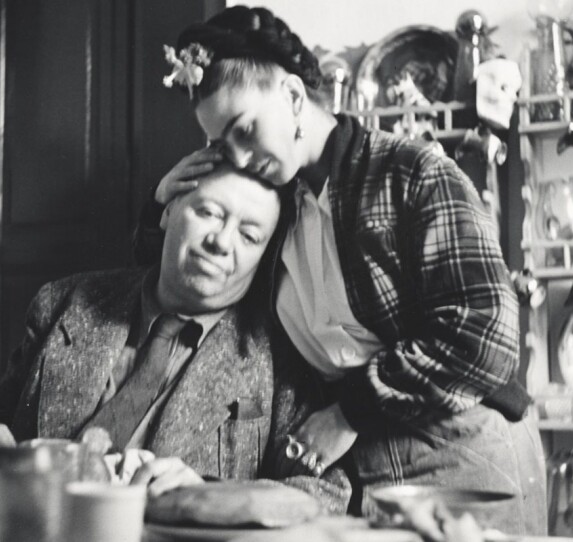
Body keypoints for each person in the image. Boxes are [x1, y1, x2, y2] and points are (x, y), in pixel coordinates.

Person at [146, 5, 546, 535]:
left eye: (245, 130)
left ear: (292, 96)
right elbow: (199, 285)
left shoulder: (412, 172)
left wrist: (349, 414)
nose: (238, 158)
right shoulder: (276, 210)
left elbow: (485, 335)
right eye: (222, 146)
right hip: (355, 471)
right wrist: (164, 207)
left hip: (464, 448)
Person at [0, 163, 350, 512]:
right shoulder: (65, 303)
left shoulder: (278, 350)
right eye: (208, 212)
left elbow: (328, 492)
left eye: (249, 236)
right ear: (169, 210)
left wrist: (210, 495)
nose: (220, 242)